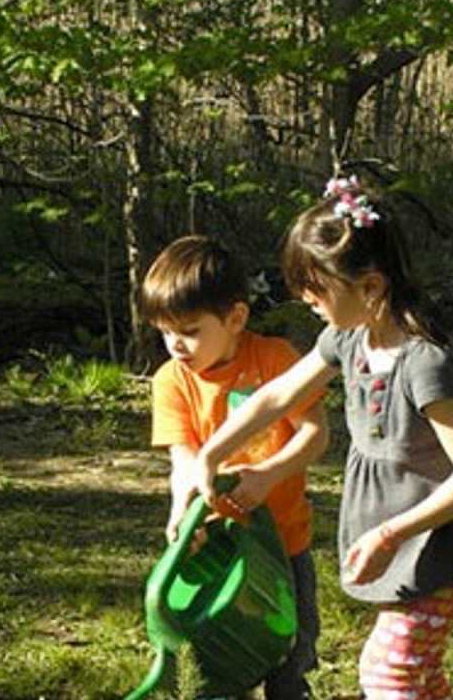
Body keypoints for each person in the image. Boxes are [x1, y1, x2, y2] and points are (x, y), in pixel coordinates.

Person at [194, 177, 453, 700]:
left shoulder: (425, 363)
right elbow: (277, 397)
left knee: (388, 671)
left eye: (316, 289)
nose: (306, 300)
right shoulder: (349, 336)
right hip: (414, 536)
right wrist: (212, 454)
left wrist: (389, 535)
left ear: (370, 286)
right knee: (418, 673)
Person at [141, 234, 330, 700]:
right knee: (222, 660)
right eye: (165, 332)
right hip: (218, 551)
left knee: (288, 658)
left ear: (236, 318)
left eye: (189, 330)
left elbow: (315, 435)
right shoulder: (171, 381)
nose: (176, 345)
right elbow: (182, 459)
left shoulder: (274, 360)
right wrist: (181, 513)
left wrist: (268, 475)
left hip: (283, 544)